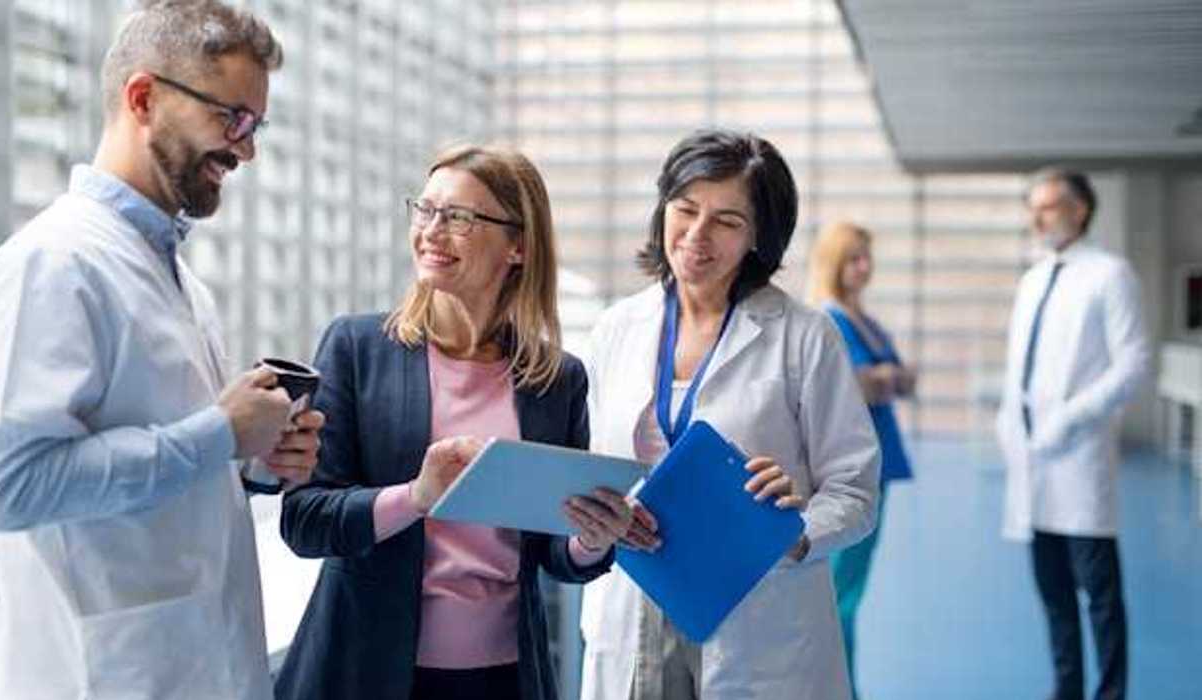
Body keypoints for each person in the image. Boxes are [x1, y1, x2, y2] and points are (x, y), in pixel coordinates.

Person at [0, 2, 323, 698]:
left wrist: (255, 462)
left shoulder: (180, 278)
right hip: (105, 678)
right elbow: (8, 489)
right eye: (232, 119)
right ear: (144, 98)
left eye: (256, 127)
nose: (245, 150)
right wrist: (218, 434)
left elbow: (167, 472)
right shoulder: (50, 265)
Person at [273, 144, 634, 700]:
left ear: (517, 246)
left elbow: (555, 554)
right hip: (364, 671)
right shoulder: (356, 347)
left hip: (503, 681)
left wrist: (592, 538)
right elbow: (305, 522)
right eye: (426, 210)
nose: (432, 231)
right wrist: (416, 496)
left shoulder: (556, 380)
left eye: (459, 218)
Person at [579, 129, 881, 700]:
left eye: (727, 221)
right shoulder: (617, 328)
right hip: (635, 599)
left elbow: (857, 490)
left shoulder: (803, 335)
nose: (696, 236)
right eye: (685, 209)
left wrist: (794, 532)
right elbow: (585, 463)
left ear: (759, 237)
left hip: (757, 605)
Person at [997, 169, 1149, 700]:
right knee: (1054, 594)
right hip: (1032, 461)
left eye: (1049, 206)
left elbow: (1133, 364)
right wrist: (1008, 423)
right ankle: (1066, 690)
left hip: (1079, 458)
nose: (1037, 218)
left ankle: (1110, 693)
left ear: (1081, 209)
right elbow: (1020, 365)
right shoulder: (1034, 278)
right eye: (1032, 207)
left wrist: (1070, 417)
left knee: (1100, 597)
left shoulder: (1110, 275)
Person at [806, 221, 915, 699]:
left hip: (879, 464)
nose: (863, 267)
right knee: (840, 595)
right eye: (853, 258)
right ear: (833, 262)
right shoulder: (830, 319)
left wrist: (884, 377)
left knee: (850, 587)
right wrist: (882, 377)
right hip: (851, 468)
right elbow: (857, 384)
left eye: (867, 257)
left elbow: (895, 379)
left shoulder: (863, 320)